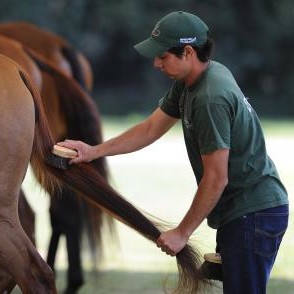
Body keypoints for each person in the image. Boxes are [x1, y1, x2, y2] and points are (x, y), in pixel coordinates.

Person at [58, 11, 289, 294]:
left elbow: (216, 178)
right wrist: (94, 151)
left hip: (254, 215)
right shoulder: (193, 80)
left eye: (163, 56)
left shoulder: (210, 98)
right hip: (247, 213)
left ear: (188, 52)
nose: (156, 63)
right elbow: (150, 128)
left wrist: (182, 232)